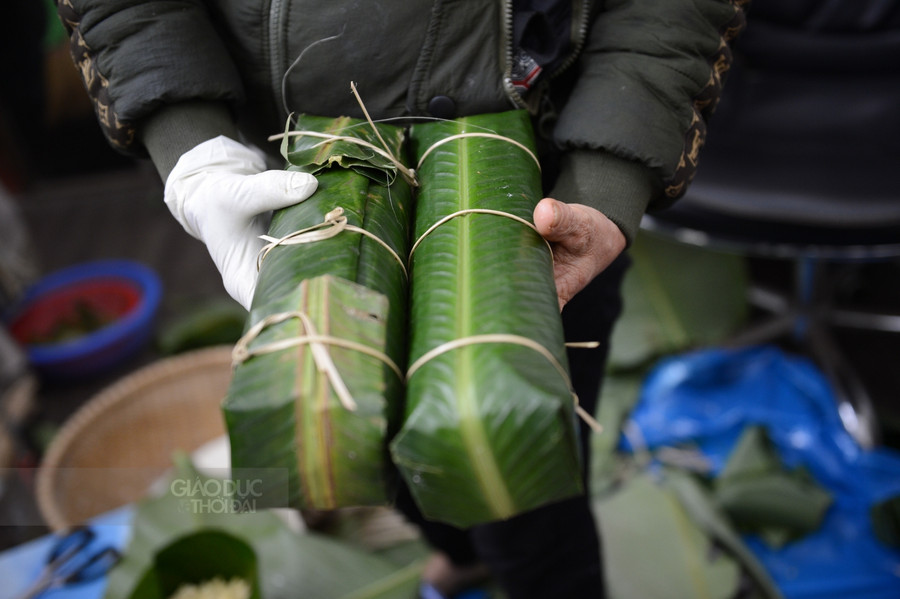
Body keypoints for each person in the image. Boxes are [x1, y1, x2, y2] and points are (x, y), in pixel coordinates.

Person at [56, 1, 748, 597]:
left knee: (519, 462)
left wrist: (607, 177)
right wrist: (190, 141)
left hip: (543, 190)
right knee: (361, 434)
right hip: (297, 181)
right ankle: (462, 547)